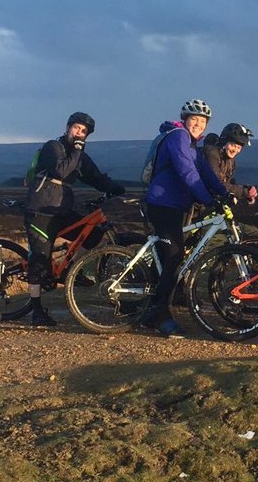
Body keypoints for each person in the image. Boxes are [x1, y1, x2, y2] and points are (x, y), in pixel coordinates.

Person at [24, 111, 126, 326]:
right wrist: (77, 150)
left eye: (84, 132)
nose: (80, 133)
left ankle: (72, 271)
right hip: (41, 210)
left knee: (94, 236)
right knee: (40, 260)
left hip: (61, 210)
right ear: (68, 127)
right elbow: (61, 171)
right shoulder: (54, 147)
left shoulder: (79, 156)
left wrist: (116, 188)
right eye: (77, 128)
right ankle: (36, 311)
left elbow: (94, 176)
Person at [143, 99, 228, 338]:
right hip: (162, 204)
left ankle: (150, 311)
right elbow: (187, 173)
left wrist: (225, 193)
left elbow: (206, 173)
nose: (198, 125)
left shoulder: (192, 146)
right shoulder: (178, 137)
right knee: (173, 257)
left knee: (168, 258)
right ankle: (161, 315)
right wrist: (208, 200)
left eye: (203, 122)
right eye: (195, 120)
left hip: (174, 207)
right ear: (185, 119)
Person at [201, 123, 258, 206]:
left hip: (209, 202)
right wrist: (244, 191)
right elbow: (214, 183)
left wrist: (246, 194)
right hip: (195, 203)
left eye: (239, 148)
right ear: (224, 142)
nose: (235, 150)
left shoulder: (231, 162)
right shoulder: (212, 154)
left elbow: (228, 184)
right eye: (233, 145)